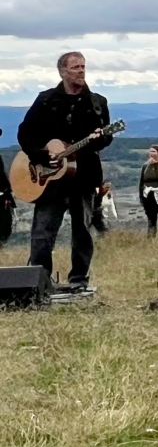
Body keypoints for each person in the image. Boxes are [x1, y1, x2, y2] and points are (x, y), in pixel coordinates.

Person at [17, 52, 111, 288]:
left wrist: (100, 139)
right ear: (62, 71)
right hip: (49, 180)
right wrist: (39, 156)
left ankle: (79, 280)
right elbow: (25, 132)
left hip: (84, 177)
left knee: (83, 232)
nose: (81, 71)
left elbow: (103, 141)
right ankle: (38, 281)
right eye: (76, 67)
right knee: (42, 233)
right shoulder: (46, 100)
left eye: (83, 66)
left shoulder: (97, 103)